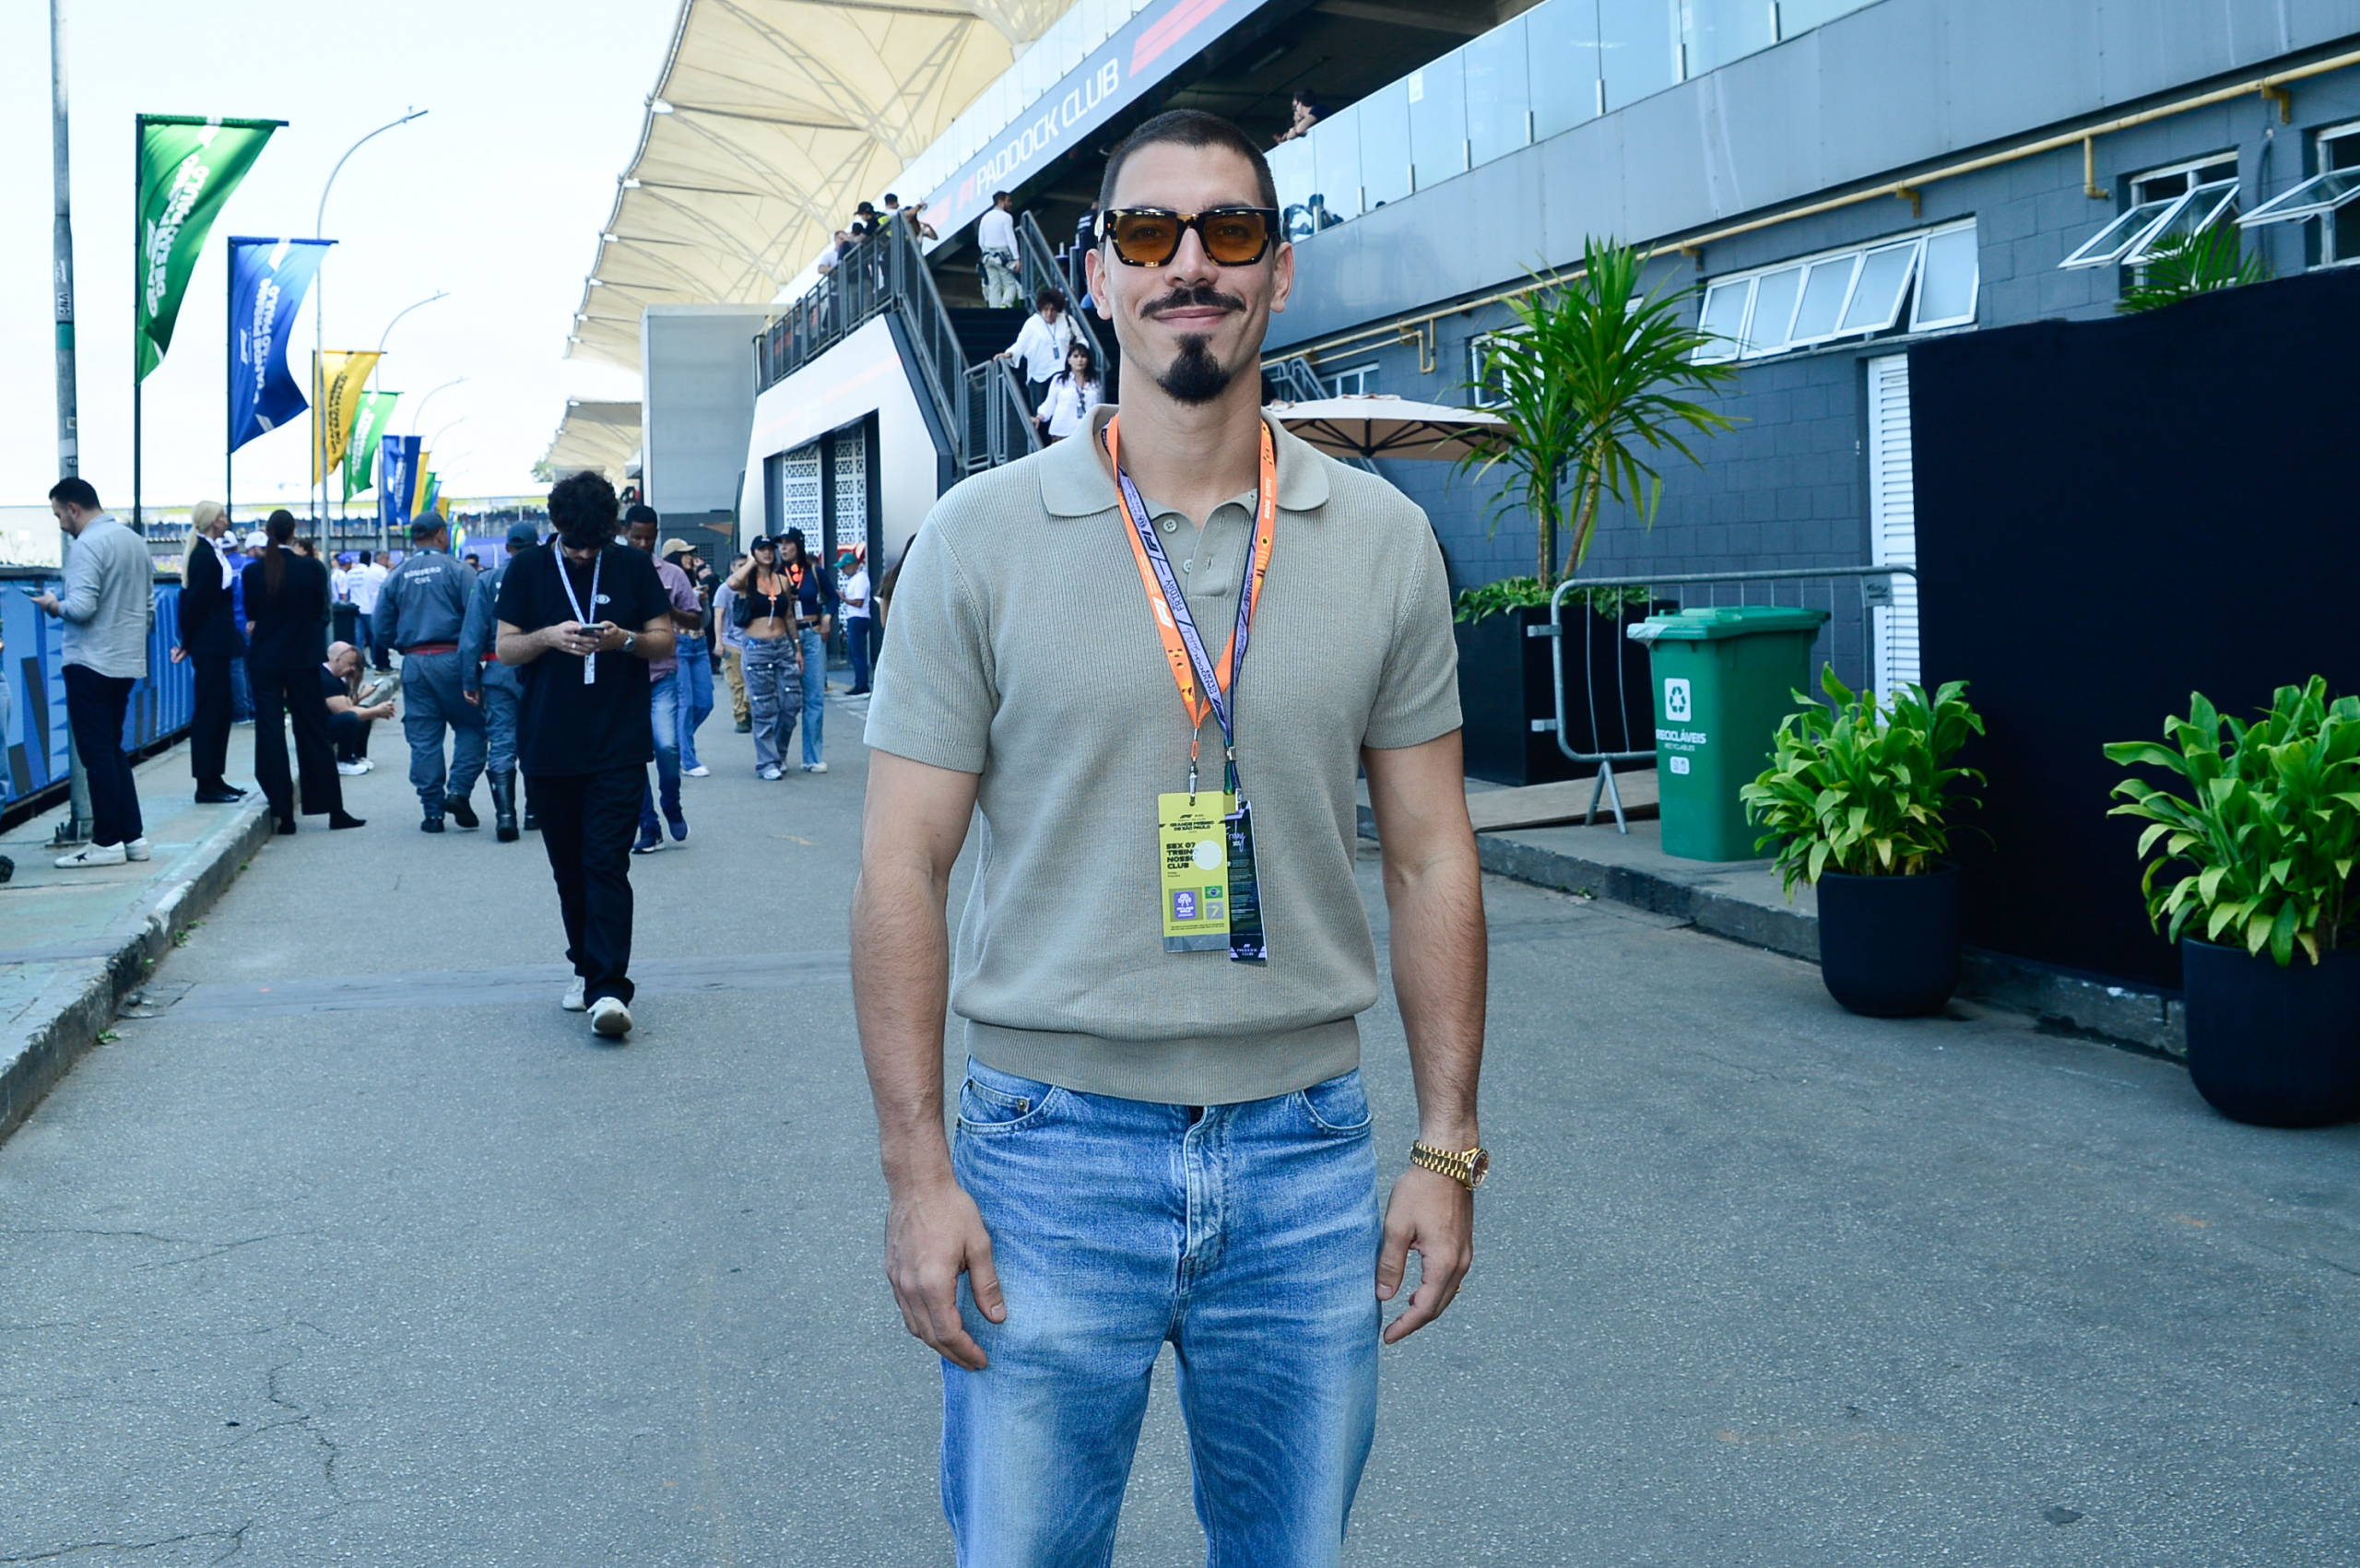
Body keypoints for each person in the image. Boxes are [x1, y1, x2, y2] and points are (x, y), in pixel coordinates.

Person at [853, 110, 1486, 1564]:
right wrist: (917, 1173)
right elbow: (900, 868)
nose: (1188, 263)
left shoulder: (1384, 540)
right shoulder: (978, 541)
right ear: (1097, 274)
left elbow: (1433, 854)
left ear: (1280, 271)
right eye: (1148, 233)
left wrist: (1447, 1145)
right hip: (1045, 1157)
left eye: (1229, 231)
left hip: (1305, 1157)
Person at [494, 470, 677, 1040]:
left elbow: (665, 638)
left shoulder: (632, 565)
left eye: (595, 545)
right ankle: (583, 963)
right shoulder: (526, 569)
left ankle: (608, 990)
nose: (585, 554)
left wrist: (624, 639)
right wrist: (548, 637)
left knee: (606, 863)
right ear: (556, 527)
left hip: (618, 743)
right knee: (569, 869)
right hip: (548, 744)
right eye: (575, 545)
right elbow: (505, 649)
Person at [36, 478, 156, 867]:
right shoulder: (134, 541)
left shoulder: (87, 545)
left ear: (73, 508)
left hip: (89, 660)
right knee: (113, 749)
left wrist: (53, 604)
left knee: (96, 754)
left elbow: (82, 607)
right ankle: (132, 837)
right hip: (126, 660)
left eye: (58, 514)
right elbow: (149, 608)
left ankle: (106, 843)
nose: (60, 524)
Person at [243, 511, 364, 836]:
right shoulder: (312, 568)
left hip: (265, 661)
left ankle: (284, 814)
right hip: (303, 659)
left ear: (268, 532)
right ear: (293, 532)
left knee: (270, 733)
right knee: (312, 732)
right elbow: (322, 613)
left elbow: (253, 615)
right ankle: (333, 809)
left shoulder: (253, 572)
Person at [375, 516, 487, 834]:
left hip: (414, 661)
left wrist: (403, 645)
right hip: (454, 658)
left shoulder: (397, 575)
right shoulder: (459, 570)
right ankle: (459, 791)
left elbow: (380, 628)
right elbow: (478, 619)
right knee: (472, 726)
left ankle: (432, 812)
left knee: (423, 736)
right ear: (440, 534)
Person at [622, 506, 698, 853]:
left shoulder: (672, 574)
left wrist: (667, 610)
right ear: (624, 533)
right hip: (623, 678)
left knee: (667, 746)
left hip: (661, 673)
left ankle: (671, 802)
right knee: (631, 757)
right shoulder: (612, 573)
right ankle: (648, 826)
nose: (642, 543)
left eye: (649, 538)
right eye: (636, 537)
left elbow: (696, 620)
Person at [459, 520, 540, 841]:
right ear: (536, 547)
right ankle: (535, 812)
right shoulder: (547, 577)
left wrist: (470, 679)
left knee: (502, 740)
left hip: (498, 669)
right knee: (537, 739)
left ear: (508, 548)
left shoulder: (487, 579)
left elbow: (471, 636)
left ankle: (506, 816)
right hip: (539, 669)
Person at [172, 500, 248, 804]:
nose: (227, 519)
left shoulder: (210, 552)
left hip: (217, 642)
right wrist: (187, 642)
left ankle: (215, 777)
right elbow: (194, 602)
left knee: (220, 711)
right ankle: (205, 783)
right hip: (209, 645)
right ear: (214, 521)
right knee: (209, 712)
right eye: (223, 515)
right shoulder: (204, 556)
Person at [723, 536, 804, 780]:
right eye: (761, 549)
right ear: (753, 552)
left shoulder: (782, 580)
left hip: (782, 645)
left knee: (791, 702)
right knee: (764, 706)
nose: (768, 552)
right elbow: (731, 583)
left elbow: (788, 616)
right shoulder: (747, 581)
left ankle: (779, 753)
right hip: (756, 646)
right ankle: (767, 762)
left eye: (770, 548)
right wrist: (750, 563)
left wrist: (797, 647)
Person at [779, 528, 836, 773]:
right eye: (781, 544)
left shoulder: (814, 571)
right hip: (786, 637)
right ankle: (778, 755)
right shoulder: (776, 574)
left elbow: (833, 597)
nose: (783, 548)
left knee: (814, 698)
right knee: (785, 700)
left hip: (812, 633)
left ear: (798, 545)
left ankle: (812, 757)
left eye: (788, 543)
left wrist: (828, 619)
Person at [663, 538, 716, 777]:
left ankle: (675, 742)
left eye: (691, 553)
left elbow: (705, 620)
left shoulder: (694, 580)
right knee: (685, 703)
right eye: (684, 553)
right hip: (679, 643)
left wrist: (701, 602)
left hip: (700, 642)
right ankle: (688, 759)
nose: (690, 557)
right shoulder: (666, 580)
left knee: (705, 702)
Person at [1000, 287, 1077, 425]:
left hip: (1062, 371)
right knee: (1040, 414)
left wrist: (1075, 348)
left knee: (1062, 412)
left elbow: (1082, 341)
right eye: (1046, 309)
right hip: (1040, 375)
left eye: (1053, 310)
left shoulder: (1067, 320)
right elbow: (1020, 344)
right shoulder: (1032, 324)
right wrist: (1009, 353)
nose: (1049, 313)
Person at [323, 641, 395, 774]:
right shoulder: (326, 679)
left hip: (326, 721)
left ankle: (357, 755)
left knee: (364, 711)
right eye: (350, 664)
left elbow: (347, 704)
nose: (352, 669)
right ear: (338, 660)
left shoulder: (335, 678)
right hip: (317, 728)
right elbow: (344, 711)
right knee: (351, 717)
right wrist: (377, 711)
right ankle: (344, 760)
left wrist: (363, 698)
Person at [1036, 338, 1105, 442]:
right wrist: (1039, 418)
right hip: (1062, 433)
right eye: (1076, 356)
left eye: (1083, 356)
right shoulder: (1059, 380)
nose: (1080, 360)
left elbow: (1097, 407)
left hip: (1086, 434)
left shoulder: (1094, 382)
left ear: (1088, 360)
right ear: (1069, 360)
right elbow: (1049, 403)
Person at [712, 554, 752, 732]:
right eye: (740, 565)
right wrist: (719, 642)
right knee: (736, 683)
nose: (744, 569)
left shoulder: (753, 586)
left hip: (752, 642)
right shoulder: (724, 589)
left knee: (754, 682)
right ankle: (740, 717)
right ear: (733, 567)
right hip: (731, 642)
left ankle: (749, 710)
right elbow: (718, 616)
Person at [839, 546, 873, 696]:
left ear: (852, 565)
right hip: (855, 618)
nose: (843, 571)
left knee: (857, 652)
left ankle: (862, 684)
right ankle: (860, 682)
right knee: (855, 652)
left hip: (858, 618)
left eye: (844, 567)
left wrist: (843, 598)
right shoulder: (855, 579)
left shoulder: (860, 578)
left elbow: (858, 602)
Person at [978, 190, 1021, 309]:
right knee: (1010, 284)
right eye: (1008, 201)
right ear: (1001, 202)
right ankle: (1005, 305)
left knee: (993, 286)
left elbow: (981, 241)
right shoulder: (1006, 217)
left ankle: (995, 310)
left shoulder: (985, 217)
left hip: (987, 256)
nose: (1010, 203)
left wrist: (985, 251)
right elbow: (1011, 239)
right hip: (1002, 255)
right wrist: (1017, 258)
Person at [353, 549, 392, 670]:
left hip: (357, 607)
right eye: (387, 559)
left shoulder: (355, 572)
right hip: (372, 608)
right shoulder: (378, 571)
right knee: (376, 635)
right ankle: (379, 662)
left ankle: (361, 662)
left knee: (359, 637)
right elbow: (389, 586)